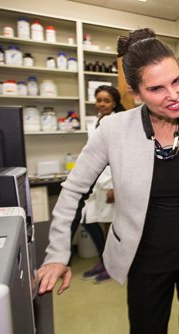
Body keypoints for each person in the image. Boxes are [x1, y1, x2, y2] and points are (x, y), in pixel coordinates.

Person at [36, 28, 179, 333]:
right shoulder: (112, 130)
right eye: (157, 88)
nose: (174, 95)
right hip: (143, 261)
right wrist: (57, 253)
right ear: (135, 93)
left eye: (176, 80)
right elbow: (74, 190)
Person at [71, 85, 125, 284]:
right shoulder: (96, 121)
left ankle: (112, 265)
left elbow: (120, 155)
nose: (101, 104)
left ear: (114, 103)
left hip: (111, 181)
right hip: (97, 181)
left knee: (112, 226)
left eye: (106, 101)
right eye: (99, 100)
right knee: (91, 219)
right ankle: (104, 260)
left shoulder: (117, 122)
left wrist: (116, 187)